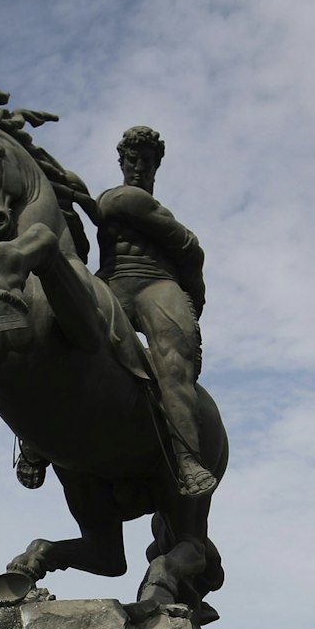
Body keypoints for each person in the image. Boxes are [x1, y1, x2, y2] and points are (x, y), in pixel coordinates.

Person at [95, 125, 215, 499]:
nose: (139, 168)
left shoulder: (139, 207)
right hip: (111, 283)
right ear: (121, 160)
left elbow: (192, 253)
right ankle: (35, 440)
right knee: (57, 324)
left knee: (173, 364)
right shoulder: (108, 200)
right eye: (133, 159)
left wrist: (191, 302)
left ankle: (189, 461)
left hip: (155, 283)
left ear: (156, 167)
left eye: (147, 162)